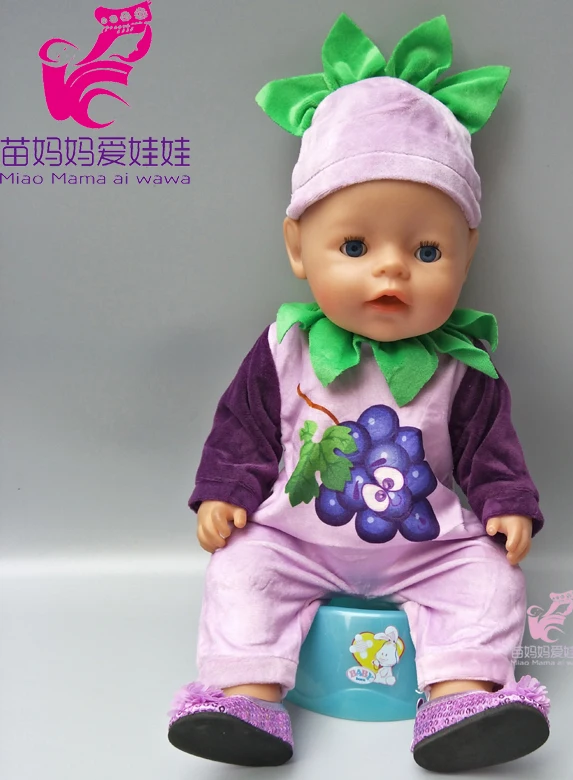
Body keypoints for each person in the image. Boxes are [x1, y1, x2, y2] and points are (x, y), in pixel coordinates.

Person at [167, 14, 551, 773]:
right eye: (354, 245)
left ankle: (462, 697)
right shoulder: (286, 349)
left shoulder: (463, 366)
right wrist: (223, 493)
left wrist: (507, 502)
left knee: (490, 578)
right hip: (297, 543)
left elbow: (491, 451)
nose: (391, 269)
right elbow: (243, 431)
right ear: (297, 248)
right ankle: (245, 698)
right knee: (242, 569)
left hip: (428, 551)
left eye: (427, 249)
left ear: (467, 254)